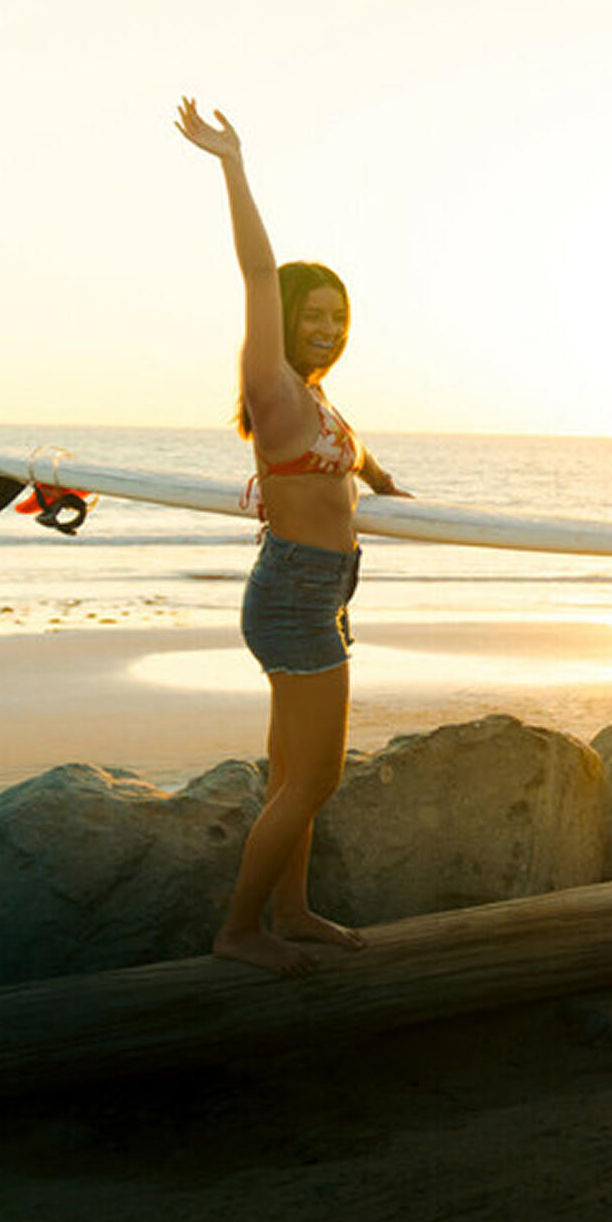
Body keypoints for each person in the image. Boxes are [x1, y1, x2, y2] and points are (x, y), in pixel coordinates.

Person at [179, 98, 405, 977]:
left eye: (340, 319)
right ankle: (240, 931)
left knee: (294, 775)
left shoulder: (318, 399)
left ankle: (295, 909)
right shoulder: (271, 383)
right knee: (316, 779)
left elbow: (348, 457)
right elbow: (256, 270)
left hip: (324, 594)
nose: (329, 329)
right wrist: (233, 163)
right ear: (287, 318)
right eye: (316, 314)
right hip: (295, 597)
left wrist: (382, 483)